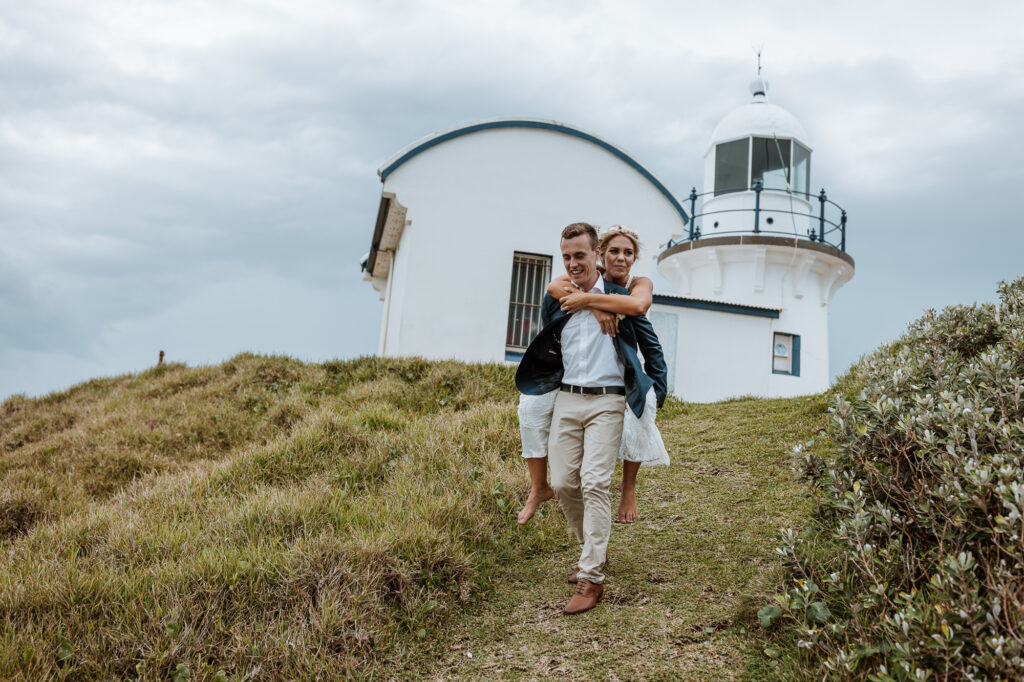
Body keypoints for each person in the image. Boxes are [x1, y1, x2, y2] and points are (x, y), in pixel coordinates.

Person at [516, 222, 667, 615]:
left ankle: (591, 577)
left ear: (596, 253)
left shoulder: (620, 295)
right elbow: (553, 294)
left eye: (579, 256)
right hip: (567, 397)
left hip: (609, 401)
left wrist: (595, 302)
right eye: (566, 257)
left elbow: (641, 315)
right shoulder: (559, 294)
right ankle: (593, 549)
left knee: (595, 482)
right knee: (565, 484)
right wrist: (582, 297)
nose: (572, 263)